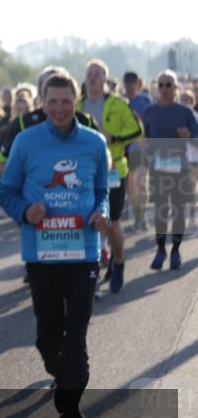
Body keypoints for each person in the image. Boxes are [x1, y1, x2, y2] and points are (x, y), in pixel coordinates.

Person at [0, 70, 110, 418]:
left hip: (83, 253)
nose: (60, 109)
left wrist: (101, 212)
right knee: (49, 336)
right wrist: (25, 210)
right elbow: (6, 190)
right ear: (43, 102)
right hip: (41, 255)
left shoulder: (94, 142)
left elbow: (101, 192)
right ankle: (58, 370)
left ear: (76, 101)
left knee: (75, 340)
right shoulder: (26, 141)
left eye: (66, 101)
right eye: (53, 101)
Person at [76, 59, 144, 293]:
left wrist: (114, 137)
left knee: (112, 221)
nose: (92, 78)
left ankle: (119, 264)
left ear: (105, 78)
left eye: (97, 74)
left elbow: (137, 131)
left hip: (114, 171)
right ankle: (93, 268)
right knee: (91, 221)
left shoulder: (118, 104)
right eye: (89, 74)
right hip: (85, 173)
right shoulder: (77, 106)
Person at [141, 70, 198, 270]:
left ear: (176, 89)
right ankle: (160, 250)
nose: (165, 89)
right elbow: (145, 137)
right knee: (160, 212)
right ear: (157, 89)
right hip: (157, 169)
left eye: (169, 85)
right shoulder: (149, 112)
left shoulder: (185, 113)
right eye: (161, 85)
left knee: (178, 211)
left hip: (180, 169)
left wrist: (188, 135)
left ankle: (175, 250)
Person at [124, 71, 153, 232]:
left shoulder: (144, 101)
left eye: (131, 83)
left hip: (141, 147)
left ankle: (142, 216)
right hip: (126, 149)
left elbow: (151, 122)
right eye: (126, 83)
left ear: (137, 83)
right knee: (132, 186)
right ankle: (138, 215)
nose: (128, 87)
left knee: (142, 183)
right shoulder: (121, 102)